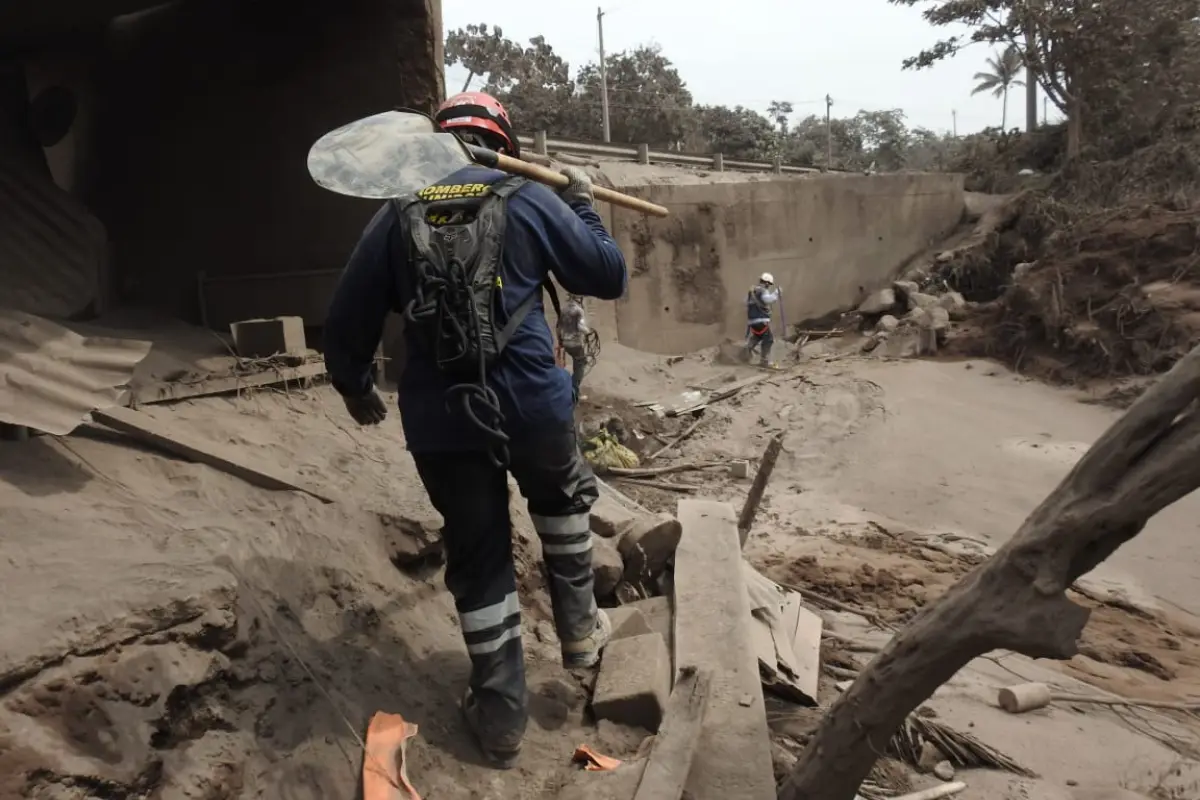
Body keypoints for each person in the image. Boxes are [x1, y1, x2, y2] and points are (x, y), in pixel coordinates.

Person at [322, 91, 626, 770]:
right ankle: (580, 636)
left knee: (479, 551)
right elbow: (608, 275)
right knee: (558, 499)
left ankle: (499, 717)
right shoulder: (530, 197)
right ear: (504, 143)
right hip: (533, 402)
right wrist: (581, 201)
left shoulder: (396, 212)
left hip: (443, 414)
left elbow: (346, 319)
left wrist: (354, 386)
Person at [557, 294, 590, 398]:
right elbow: (581, 327)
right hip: (576, 343)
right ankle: (573, 390)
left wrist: (560, 341)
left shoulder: (563, 310)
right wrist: (588, 332)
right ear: (579, 299)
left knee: (577, 363)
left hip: (566, 342)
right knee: (581, 364)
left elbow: (558, 327)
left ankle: (573, 389)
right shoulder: (578, 310)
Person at [745, 272, 780, 367]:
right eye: (769, 284)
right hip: (761, 320)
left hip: (752, 321)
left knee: (758, 336)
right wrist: (776, 293)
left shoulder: (752, 291)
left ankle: (745, 352)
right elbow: (768, 300)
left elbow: (746, 302)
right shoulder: (762, 291)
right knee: (769, 339)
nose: (768, 286)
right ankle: (764, 361)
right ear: (767, 283)